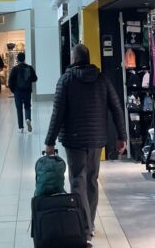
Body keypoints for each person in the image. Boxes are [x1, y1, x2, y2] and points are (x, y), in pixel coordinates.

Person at [45, 43, 127, 238]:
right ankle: (89, 223)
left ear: (73, 59)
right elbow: (116, 107)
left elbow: (57, 114)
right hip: (96, 140)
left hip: (74, 141)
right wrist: (121, 136)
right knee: (91, 180)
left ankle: (83, 225)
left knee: (77, 180)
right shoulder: (102, 79)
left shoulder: (65, 80)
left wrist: (50, 141)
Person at [8, 52, 37, 133]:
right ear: (24, 59)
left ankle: (21, 128)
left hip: (18, 92)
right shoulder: (29, 68)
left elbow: (10, 82)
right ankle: (28, 119)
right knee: (27, 106)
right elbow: (35, 78)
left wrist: (13, 90)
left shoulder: (15, 69)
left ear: (17, 59)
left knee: (19, 109)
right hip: (27, 91)